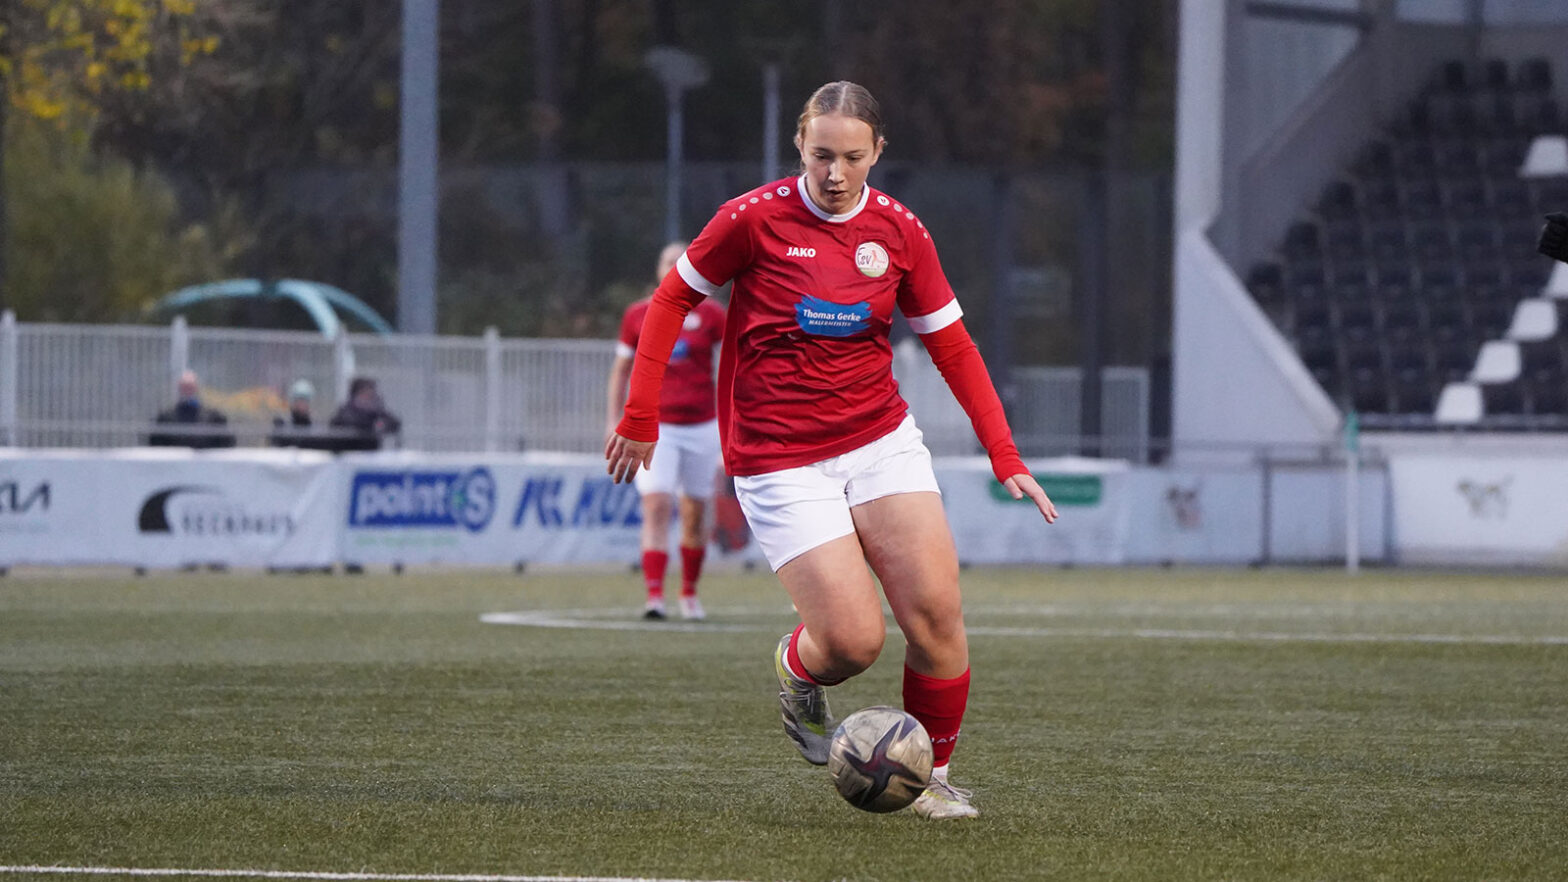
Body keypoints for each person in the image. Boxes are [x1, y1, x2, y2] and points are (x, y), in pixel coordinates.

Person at [605, 81, 1057, 820]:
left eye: (852, 156)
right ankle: (797, 665)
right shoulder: (750, 220)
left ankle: (930, 778)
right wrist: (640, 413)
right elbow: (670, 301)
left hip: (880, 441)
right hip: (778, 455)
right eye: (822, 155)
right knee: (851, 643)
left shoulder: (901, 232)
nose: (836, 172)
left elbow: (954, 347)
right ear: (800, 147)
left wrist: (1006, 454)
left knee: (938, 617)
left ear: (878, 151)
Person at [606, 241, 727, 621]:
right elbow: (621, 371)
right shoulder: (638, 315)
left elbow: (729, 369)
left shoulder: (711, 315)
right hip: (656, 429)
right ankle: (654, 597)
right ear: (658, 269)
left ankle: (689, 594)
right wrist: (614, 421)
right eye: (668, 262)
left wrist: (730, 425)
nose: (674, 267)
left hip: (702, 425)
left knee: (695, 512)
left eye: (681, 261)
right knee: (656, 505)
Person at [149, 369, 235, 448]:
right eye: (184, 387)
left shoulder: (214, 416)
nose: (187, 391)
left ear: (196, 388)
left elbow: (227, 442)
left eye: (190, 387)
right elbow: (156, 444)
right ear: (179, 389)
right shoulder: (166, 417)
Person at [329, 376, 402, 451]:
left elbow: (394, 423)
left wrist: (381, 424)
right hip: (349, 453)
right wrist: (373, 424)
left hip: (371, 454)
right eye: (367, 394)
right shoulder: (346, 412)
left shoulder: (376, 412)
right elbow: (352, 424)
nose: (371, 398)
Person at [269, 379, 316, 447]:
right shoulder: (282, 425)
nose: (302, 404)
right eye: (299, 399)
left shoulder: (314, 427)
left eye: (305, 400)